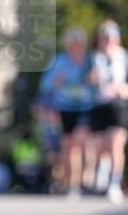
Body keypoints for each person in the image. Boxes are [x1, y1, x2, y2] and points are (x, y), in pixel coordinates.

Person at [38, 28, 94, 196]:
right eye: (73, 44)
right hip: (64, 108)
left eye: (79, 44)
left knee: (80, 142)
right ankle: (72, 184)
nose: (76, 47)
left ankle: (86, 178)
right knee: (69, 147)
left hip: (84, 108)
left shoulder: (89, 61)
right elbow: (45, 84)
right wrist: (56, 82)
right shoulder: (60, 61)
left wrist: (93, 79)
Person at [89, 20, 128, 203]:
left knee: (116, 144)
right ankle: (103, 170)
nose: (107, 41)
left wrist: (123, 89)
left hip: (119, 106)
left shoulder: (124, 58)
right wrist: (90, 78)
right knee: (101, 147)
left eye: (110, 37)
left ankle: (114, 183)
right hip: (99, 106)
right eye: (104, 38)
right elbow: (81, 83)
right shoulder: (93, 58)